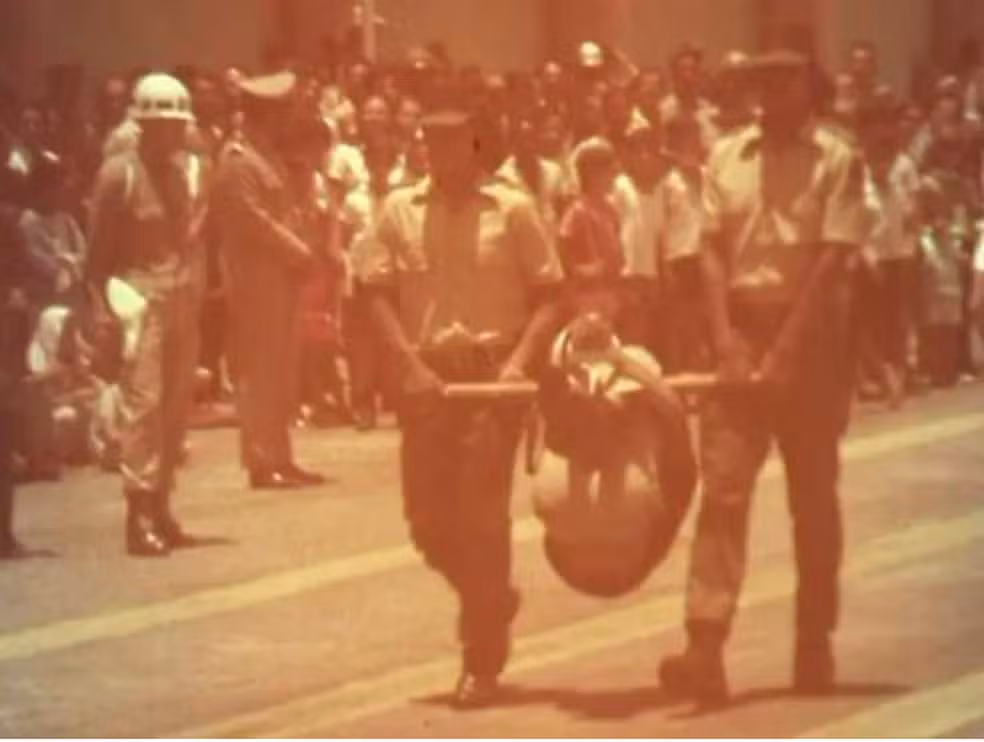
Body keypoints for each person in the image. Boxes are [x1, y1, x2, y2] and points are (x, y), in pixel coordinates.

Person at [659, 50, 874, 705]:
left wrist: (784, 352)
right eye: (762, 78)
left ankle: (814, 641)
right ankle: (705, 645)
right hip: (742, 334)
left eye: (784, 77)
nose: (769, 89)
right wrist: (725, 340)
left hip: (809, 343)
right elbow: (711, 253)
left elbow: (833, 260)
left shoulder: (838, 158)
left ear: (811, 85)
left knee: (812, 501)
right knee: (723, 493)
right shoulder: (727, 156)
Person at [363, 107, 564, 709]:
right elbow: (372, 294)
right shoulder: (399, 209)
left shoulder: (513, 209)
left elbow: (552, 295)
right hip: (427, 383)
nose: (437, 149)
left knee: (480, 519)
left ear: (476, 145)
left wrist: (517, 367)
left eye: (451, 139)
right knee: (427, 523)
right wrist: (408, 366)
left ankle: (481, 659)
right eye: (430, 139)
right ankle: (492, 599)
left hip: (490, 382)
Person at [85, 73, 207, 556]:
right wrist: (103, 317)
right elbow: (97, 257)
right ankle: (138, 515)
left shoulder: (180, 172)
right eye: (163, 124)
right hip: (139, 300)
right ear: (141, 125)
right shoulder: (120, 173)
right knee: (144, 408)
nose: (173, 134)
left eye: (178, 124)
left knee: (176, 409)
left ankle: (161, 505)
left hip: (180, 297)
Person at [213, 71, 325, 490]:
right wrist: (298, 250)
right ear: (263, 113)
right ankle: (262, 460)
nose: (285, 120)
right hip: (256, 279)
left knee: (281, 370)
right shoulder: (238, 160)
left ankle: (280, 454)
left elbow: (284, 212)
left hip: (281, 277)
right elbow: (254, 222)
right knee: (259, 371)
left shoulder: (265, 154)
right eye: (279, 112)